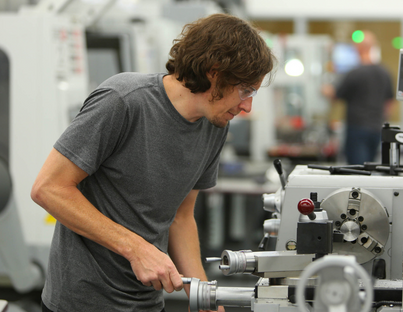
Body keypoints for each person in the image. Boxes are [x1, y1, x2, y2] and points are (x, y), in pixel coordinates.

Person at [31, 13, 275, 312]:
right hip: (80, 303)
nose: (247, 106)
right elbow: (48, 188)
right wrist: (135, 248)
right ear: (215, 74)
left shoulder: (214, 127)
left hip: (146, 303)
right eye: (246, 90)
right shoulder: (123, 100)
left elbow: (181, 218)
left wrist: (203, 299)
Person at [322, 30, 394, 165]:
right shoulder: (385, 72)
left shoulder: (354, 73)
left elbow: (336, 95)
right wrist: (380, 120)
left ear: (358, 49)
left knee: (357, 170)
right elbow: (389, 102)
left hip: (357, 129)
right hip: (376, 129)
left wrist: (325, 90)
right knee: (369, 167)